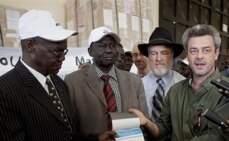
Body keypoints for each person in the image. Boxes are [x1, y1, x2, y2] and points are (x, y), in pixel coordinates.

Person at [130, 24, 229, 141]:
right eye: (193, 51)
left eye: (206, 50)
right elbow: (163, 129)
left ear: (216, 53)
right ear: (187, 55)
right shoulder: (175, 90)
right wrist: (147, 123)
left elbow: (218, 136)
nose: (199, 56)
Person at [0, 10, 78, 141]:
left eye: (64, 51)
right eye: (57, 51)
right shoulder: (4, 90)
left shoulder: (59, 83)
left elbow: (68, 132)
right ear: (31, 45)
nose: (63, 58)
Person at [64, 26, 148, 140]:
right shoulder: (72, 82)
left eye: (112, 45)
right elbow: (70, 130)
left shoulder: (135, 82)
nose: (108, 50)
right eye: (102, 45)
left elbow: (144, 125)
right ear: (90, 51)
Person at [138, 27, 185, 121]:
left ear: (172, 55)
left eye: (164, 53)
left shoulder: (184, 84)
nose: (158, 59)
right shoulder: (139, 85)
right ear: (148, 56)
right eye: (154, 53)